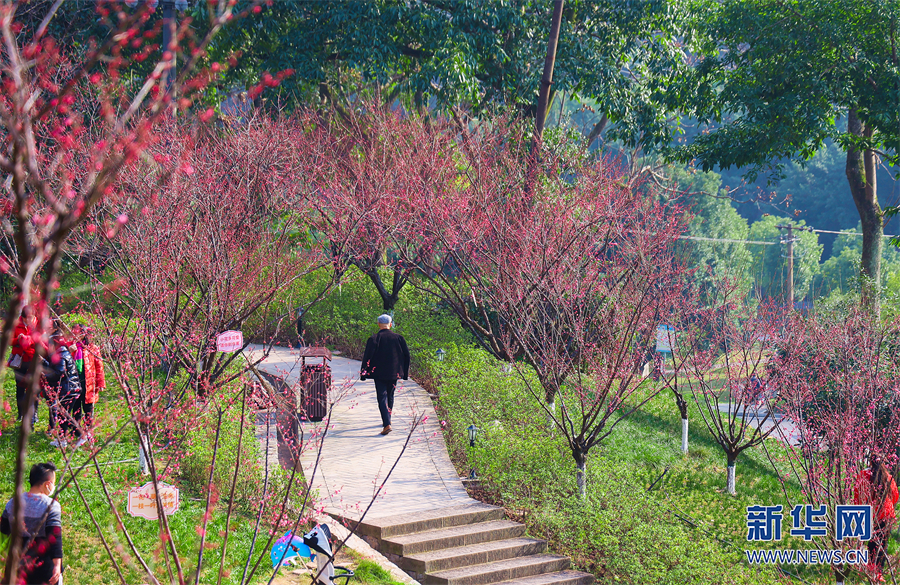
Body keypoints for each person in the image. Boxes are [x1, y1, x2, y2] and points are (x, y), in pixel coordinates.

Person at [1, 462, 63, 584]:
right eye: (53, 483)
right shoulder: (51, 506)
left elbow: (2, 532)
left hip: (17, 566)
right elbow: (55, 537)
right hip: (44, 569)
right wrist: (57, 566)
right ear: (47, 484)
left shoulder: (13, 503)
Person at [360, 314, 410, 435]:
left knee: (382, 397)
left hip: (379, 374)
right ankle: (388, 420)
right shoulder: (399, 338)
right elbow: (407, 356)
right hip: (394, 373)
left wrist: (363, 372)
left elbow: (367, 357)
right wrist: (405, 373)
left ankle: (387, 423)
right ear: (390, 324)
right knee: (390, 396)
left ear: (378, 324)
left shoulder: (374, 339)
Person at [854, 454, 899, 581]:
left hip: (869, 513)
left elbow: (858, 493)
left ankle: (866, 568)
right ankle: (877, 573)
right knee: (881, 545)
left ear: (870, 462)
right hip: (886, 515)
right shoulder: (889, 477)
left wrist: (858, 510)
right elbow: (895, 496)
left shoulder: (863, 474)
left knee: (868, 543)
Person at [42, 335, 83, 449]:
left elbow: (59, 372)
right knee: (63, 415)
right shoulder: (63, 353)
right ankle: (63, 439)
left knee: (63, 415)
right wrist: (45, 363)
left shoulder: (60, 355)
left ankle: (80, 435)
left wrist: (45, 375)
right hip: (70, 388)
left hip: (68, 389)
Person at [10, 306, 40, 429]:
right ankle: (21, 413)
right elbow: (9, 340)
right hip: (20, 361)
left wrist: (28, 339)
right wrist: (17, 339)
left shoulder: (37, 325)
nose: (30, 320)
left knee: (34, 388)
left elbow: (40, 339)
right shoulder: (16, 325)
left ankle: (35, 414)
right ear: (22, 318)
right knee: (20, 387)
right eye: (27, 318)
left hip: (33, 359)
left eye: (32, 317)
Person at [75, 327, 105, 439]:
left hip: (89, 382)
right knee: (76, 408)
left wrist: (100, 383)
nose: (74, 335)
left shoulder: (92, 348)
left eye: (76, 333)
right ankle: (77, 431)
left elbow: (99, 365)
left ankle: (88, 431)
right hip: (75, 382)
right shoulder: (71, 346)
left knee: (88, 408)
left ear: (83, 334)